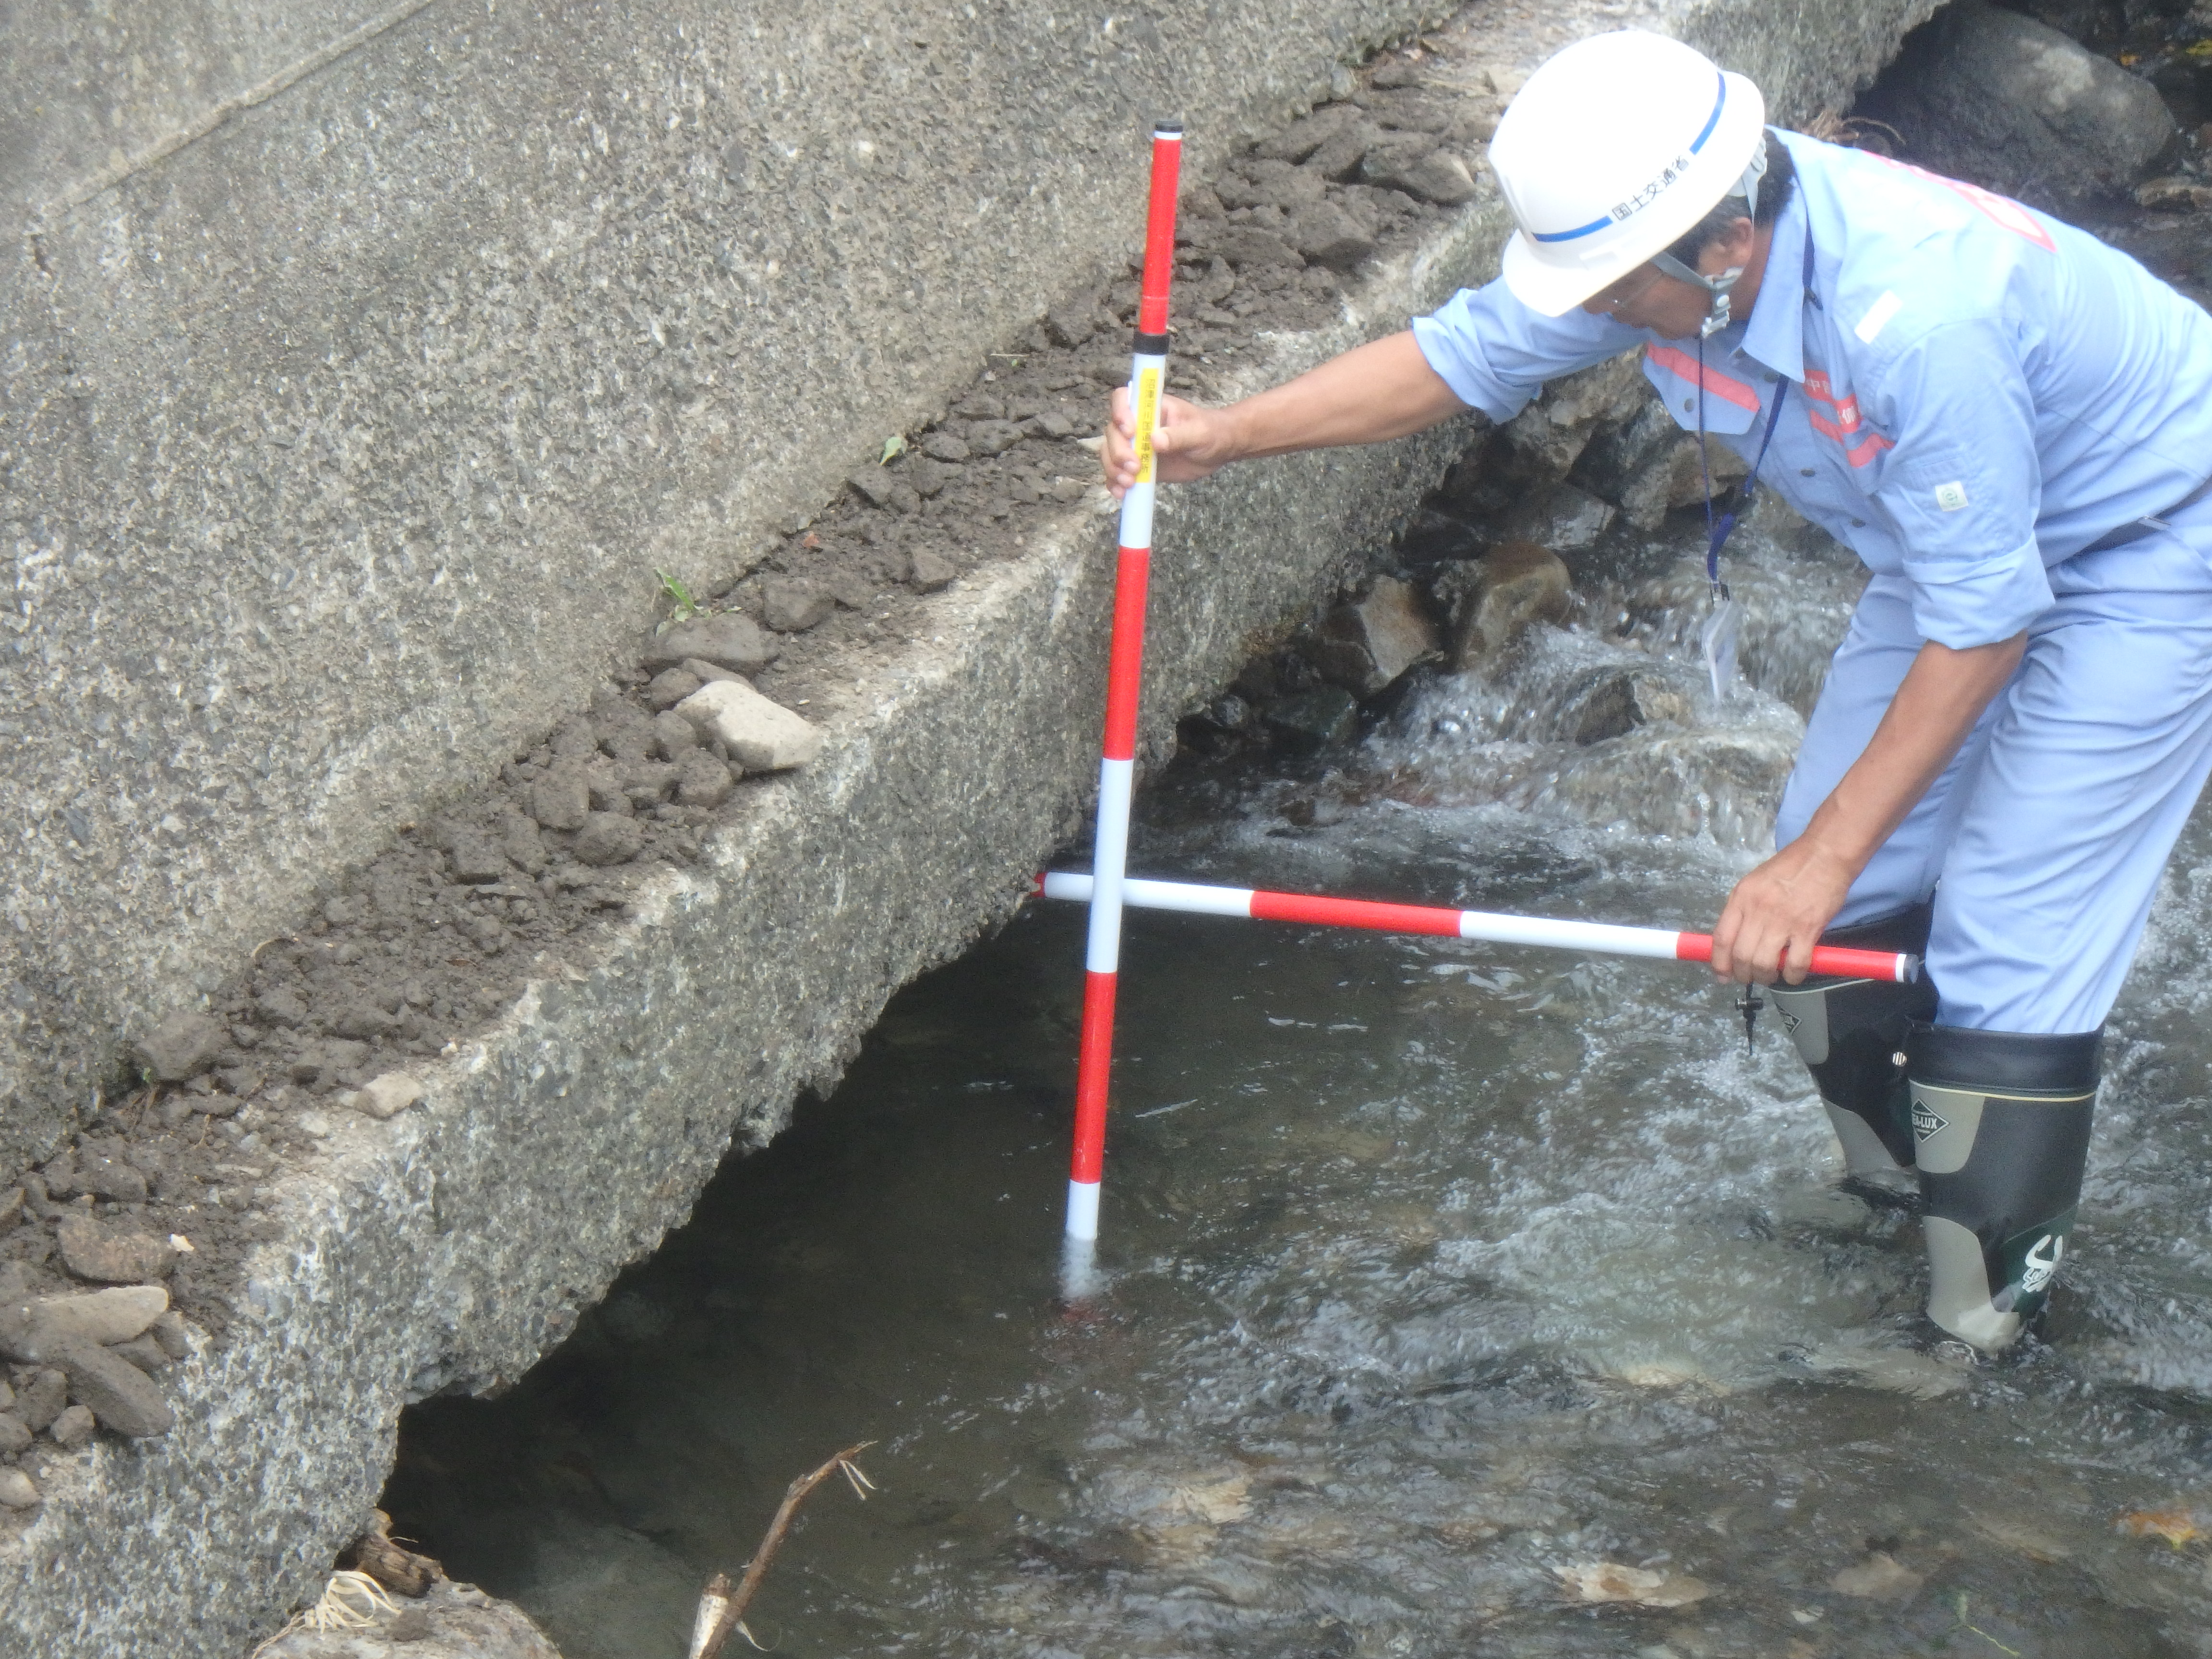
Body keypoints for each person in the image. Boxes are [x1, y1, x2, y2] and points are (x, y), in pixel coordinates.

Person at [1100, 29, 2212, 1355]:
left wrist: (1806, 861)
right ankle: (1898, 1197)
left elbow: (1988, 630)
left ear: (1725, 245)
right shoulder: (1663, 248)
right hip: (1956, 546)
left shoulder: (1921, 319)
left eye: (1619, 293)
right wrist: (1227, 433)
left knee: (2003, 935)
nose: (1599, 312)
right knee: (1841, 904)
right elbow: (1462, 356)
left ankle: (1977, 1334)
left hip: (2159, 544)